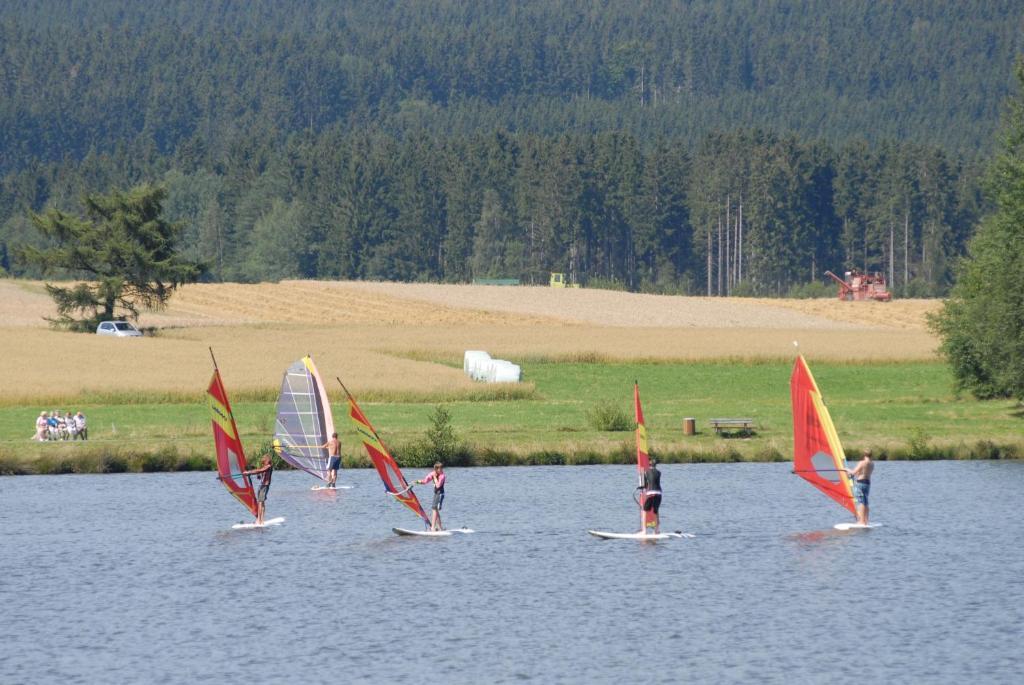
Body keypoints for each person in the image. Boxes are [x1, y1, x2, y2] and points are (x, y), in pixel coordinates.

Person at [241, 454, 273, 526]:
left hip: (264, 486)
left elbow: (260, 470)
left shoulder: (268, 466)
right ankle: (261, 520)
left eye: (264, 460)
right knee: (262, 502)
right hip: (261, 485)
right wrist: (257, 475)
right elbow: (259, 476)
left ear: (267, 460)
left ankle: (259, 520)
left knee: (260, 502)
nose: (263, 462)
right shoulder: (265, 466)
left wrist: (249, 472)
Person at [415, 462, 446, 531]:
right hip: (436, 494)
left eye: (441, 468)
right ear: (436, 469)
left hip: (440, 494)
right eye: (439, 469)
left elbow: (438, 486)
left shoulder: (442, 476)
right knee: (436, 510)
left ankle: (433, 527)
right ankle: (440, 528)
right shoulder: (432, 473)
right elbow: (425, 481)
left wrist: (434, 477)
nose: (441, 470)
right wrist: (418, 481)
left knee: (434, 509)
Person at [846, 448, 874, 525]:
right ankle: (866, 521)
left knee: (861, 502)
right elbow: (862, 473)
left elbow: (853, 472)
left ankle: (861, 521)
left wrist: (846, 469)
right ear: (871, 455)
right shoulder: (872, 464)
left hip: (860, 483)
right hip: (867, 483)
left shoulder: (862, 463)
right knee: (866, 502)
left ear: (864, 455)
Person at [639, 457, 663, 534]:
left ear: (649, 465)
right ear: (656, 465)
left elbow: (645, 485)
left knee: (644, 510)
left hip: (650, 493)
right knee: (656, 511)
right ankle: (657, 530)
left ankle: (644, 531)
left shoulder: (645, 472)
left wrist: (642, 487)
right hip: (659, 493)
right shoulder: (659, 473)